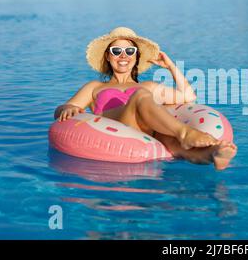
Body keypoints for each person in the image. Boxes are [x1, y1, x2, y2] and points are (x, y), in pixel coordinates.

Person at [54, 27, 237, 170]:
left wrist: (171, 67)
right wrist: (66, 109)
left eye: (130, 51)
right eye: (116, 51)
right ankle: (185, 133)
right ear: (108, 57)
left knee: (173, 143)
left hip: (147, 134)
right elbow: (64, 108)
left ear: (136, 57)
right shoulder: (95, 87)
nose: (123, 55)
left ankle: (213, 154)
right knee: (141, 96)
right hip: (118, 129)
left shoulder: (148, 85)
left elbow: (189, 98)